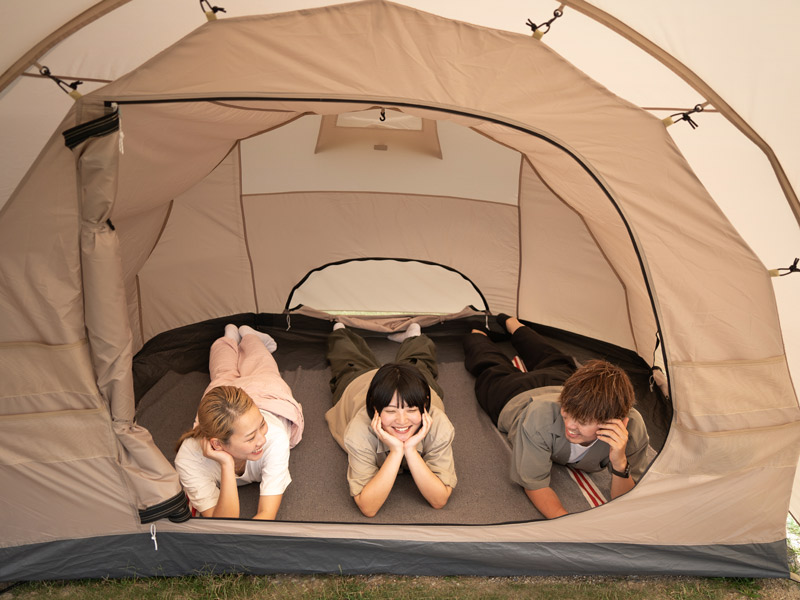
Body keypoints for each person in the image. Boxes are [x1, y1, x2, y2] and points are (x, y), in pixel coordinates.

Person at [463, 314, 649, 519]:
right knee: (491, 364)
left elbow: (627, 502)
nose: (569, 425)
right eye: (566, 413)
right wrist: (567, 526)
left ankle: (494, 329)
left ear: (615, 421)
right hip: (513, 394)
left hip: (559, 391)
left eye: (582, 422)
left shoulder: (632, 428)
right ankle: (492, 327)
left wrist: (620, 463)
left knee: (554, 361)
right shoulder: (541, 417)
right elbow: (535, 484)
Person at [325, 322, 457, 517]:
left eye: (411, 410)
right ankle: (342, 333)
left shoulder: (439, 424)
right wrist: (397, 451)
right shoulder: (359, 430)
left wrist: (410, 449)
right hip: (358, 382)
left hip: (412, 387)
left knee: (419, 362)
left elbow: (439, 499)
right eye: (391, 411)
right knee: (348, 362)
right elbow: (368, 507)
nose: (402, 421)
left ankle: (414, 335)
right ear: (376, 408)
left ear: (424, 404)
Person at [175, 324, 304, 520]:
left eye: (261, 425)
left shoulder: (274, 437)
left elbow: (266, 515)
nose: (262, 439)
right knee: (222, 372)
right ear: (217, 444)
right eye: (251, 437)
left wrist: (253, 432)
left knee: (260, 363)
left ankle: (250, 336)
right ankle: (229, 337)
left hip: (264, 392)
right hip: (225, 398)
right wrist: (227, 464)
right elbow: (222, 524)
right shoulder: (189, 458)